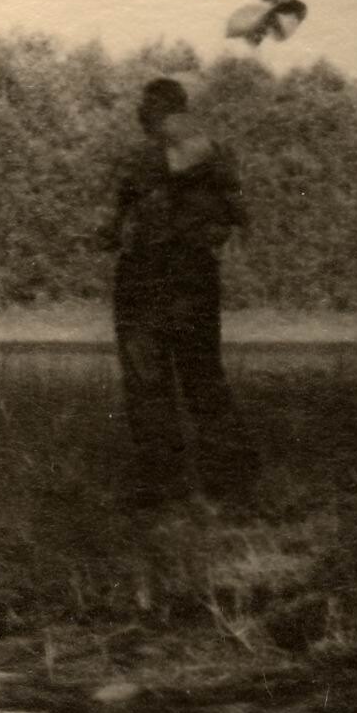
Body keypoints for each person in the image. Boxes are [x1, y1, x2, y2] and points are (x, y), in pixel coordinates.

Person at [108, 77, 256, 507]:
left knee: (152, 382)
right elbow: (238, 215)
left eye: (146, 105)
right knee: (198, 376)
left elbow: (115, 219)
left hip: (155, 275)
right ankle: (223, 482)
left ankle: (168, 483)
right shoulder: (216, 155)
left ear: (161, 109)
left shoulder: (151, 155)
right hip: (187, 274)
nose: (140, 112)